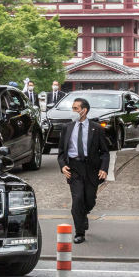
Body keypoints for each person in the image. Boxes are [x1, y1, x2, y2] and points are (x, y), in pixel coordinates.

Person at [56, 97, 110, 243]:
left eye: (75, 108)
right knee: (78, 199)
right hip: (74, 168)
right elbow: (61, 152)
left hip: (91, 168)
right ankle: (80, 232)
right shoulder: (67, 128)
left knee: (90, 200)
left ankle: (83, 215)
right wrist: (62, 166)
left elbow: (105, 152)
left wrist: (104, 168)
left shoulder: (97, 128)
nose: (73, 111)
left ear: (84, 110)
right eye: (72, 108)